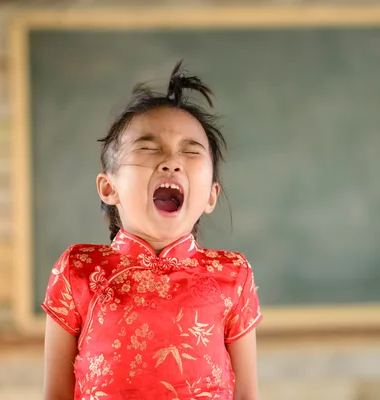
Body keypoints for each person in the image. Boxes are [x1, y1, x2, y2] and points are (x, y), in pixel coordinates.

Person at [41, 61, 262, 400]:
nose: (172, 161)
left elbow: (247, 396)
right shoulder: (78, 269)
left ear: (211, 195)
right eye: (148, 147)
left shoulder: (234, 275)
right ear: (108, 188)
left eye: (191, 151)